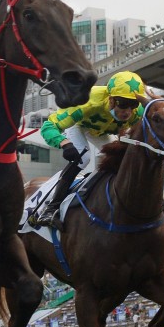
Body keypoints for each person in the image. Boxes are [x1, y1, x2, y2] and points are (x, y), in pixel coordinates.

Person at [34, 71, 147, 229]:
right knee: (84, 158)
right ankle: (51, 208)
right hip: (79, 126)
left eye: (133, 104)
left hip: (101, 132)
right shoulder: (89, 102)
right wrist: (64, 143)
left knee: (123, 160)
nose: (128, 111)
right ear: (111, 99)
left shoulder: (138, 113)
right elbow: (49, 126)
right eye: (122, 103)